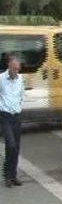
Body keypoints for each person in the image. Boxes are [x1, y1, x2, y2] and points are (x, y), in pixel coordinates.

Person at [0, 55, 25, 187]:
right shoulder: (1, 79)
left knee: (16, 148)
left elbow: (22, 95)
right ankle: (6, 175)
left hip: (17, 116)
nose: (16, 72)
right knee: (10, 145)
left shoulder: (20, 79)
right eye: (14, 69)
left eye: (18, 69)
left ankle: (13, 176)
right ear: (9, 66)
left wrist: (20, 107)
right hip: (5, 116)